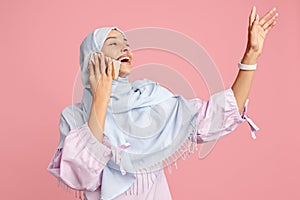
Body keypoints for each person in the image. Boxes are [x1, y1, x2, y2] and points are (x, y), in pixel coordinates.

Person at [47, 6, 278, 200]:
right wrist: (101, 98)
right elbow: (83, 177)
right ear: (93, 56)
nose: (126, 47)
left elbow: (216, 117)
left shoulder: (151, 100)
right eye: (114, 43)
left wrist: (251, 57)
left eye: (127, 43)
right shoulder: (74, 117)